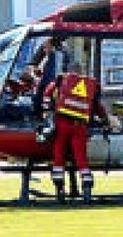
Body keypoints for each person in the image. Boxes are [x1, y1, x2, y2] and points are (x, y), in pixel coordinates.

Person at [42, 63, 105, 203]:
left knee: (58, 156)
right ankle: (87, 188)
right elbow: (97, 107)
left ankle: (59, 190)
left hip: (61, 123)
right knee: (81, 157)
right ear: (81, 71)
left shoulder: (60, 80)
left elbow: (47, 94)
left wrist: (46, 114)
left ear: (69, 71)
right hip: (80, 125)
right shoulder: (89, 85)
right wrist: (104, 119)